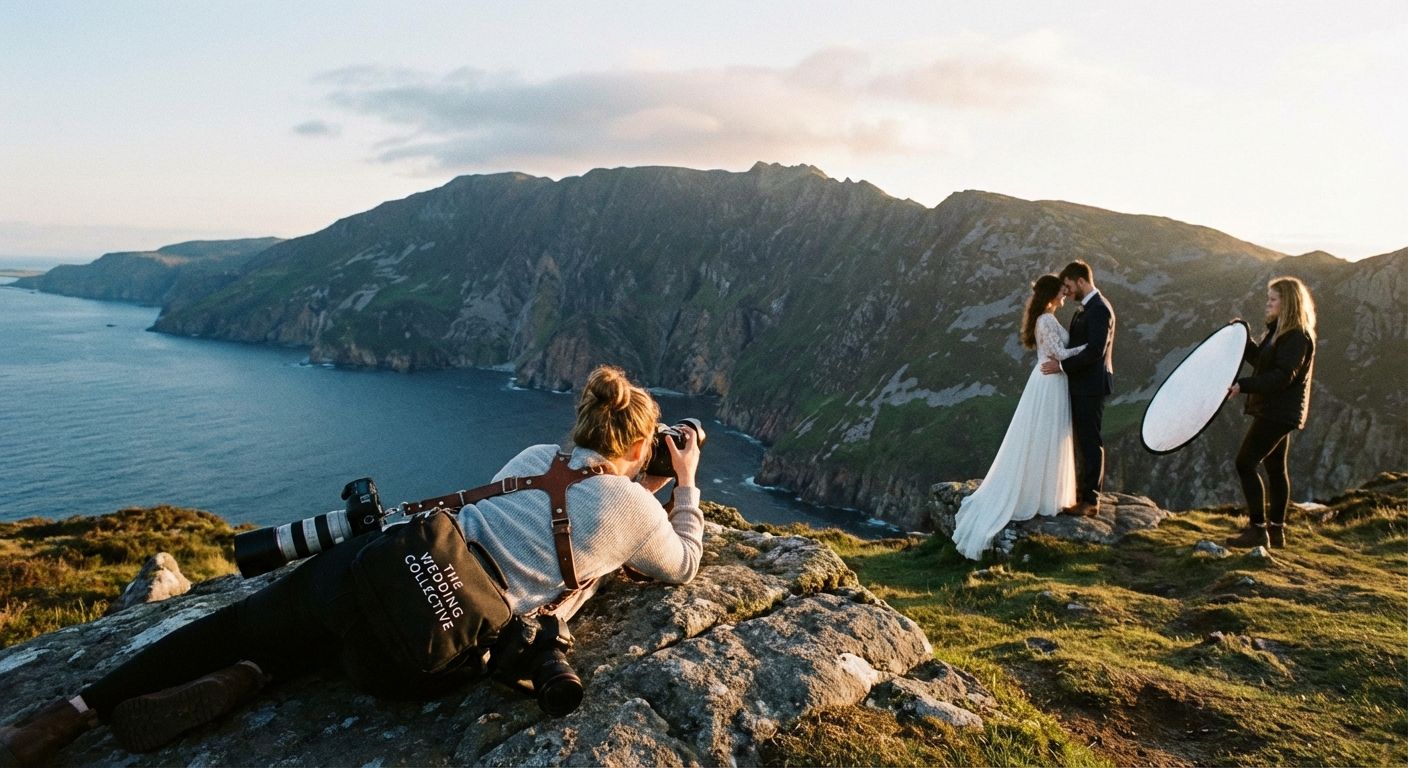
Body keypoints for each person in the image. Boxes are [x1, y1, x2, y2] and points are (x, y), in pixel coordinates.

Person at [0, 365, 703, 766]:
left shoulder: (532, 461)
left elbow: (570, 505)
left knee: (243, 622)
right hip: (415, 654)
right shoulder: (635, 513)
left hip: (371, 570)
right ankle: (258, 677)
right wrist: (688, 484)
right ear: (642, 446)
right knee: (368, 646)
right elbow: (681, 565)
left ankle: (68, 713)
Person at [952, 274, 1086, 559]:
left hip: (1045, 380)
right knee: (1046, 436)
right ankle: (1042, 496)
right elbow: (1059, 353)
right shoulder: (1047, 320)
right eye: (1061, 293)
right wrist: (1089, 349)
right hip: (1050, 382)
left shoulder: (1042, 318)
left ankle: (1041, 492)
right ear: (1051, 294)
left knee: (1040, 437)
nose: (1064, 297)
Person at [1224, 277, 1316, 550]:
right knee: (1275, 468)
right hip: (1276, 409)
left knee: (1245, 463)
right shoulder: (1279, 332)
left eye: (1273, 299)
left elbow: (1281, 377)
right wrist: (1243, 338)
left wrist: (1243, 385)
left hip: (1278, 411)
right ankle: (1276, 532)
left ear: (1287, 303)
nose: (1268, 303)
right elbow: (1263, 363)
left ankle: (1258, 530)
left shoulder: (1297, 336)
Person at [1040, 260, 1116, 516]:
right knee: (1081, 441)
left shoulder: (1099, 309)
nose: (1068, 292)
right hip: (1080, 384)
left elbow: (1096, 350)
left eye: (1069, 286)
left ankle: (1091, 501)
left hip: (1091, 386)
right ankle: (1080, 495)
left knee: (1090, 441)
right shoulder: (1085, 309)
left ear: (1081, 281)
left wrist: (1061, 368)